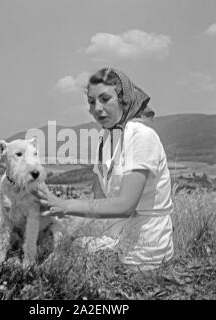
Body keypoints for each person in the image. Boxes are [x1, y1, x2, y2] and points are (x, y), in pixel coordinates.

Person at [37, 67, 174, 271]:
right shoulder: (106, 139)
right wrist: (56, 210)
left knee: (64, 266)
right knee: (61, 246)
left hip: (146, 250)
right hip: (119, 237)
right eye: (91, 102)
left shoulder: (142, 136)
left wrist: (66, 205)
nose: (97, 108)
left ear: (123, 99)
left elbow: (125, 206)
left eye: (105, 99)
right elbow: (99, 202)